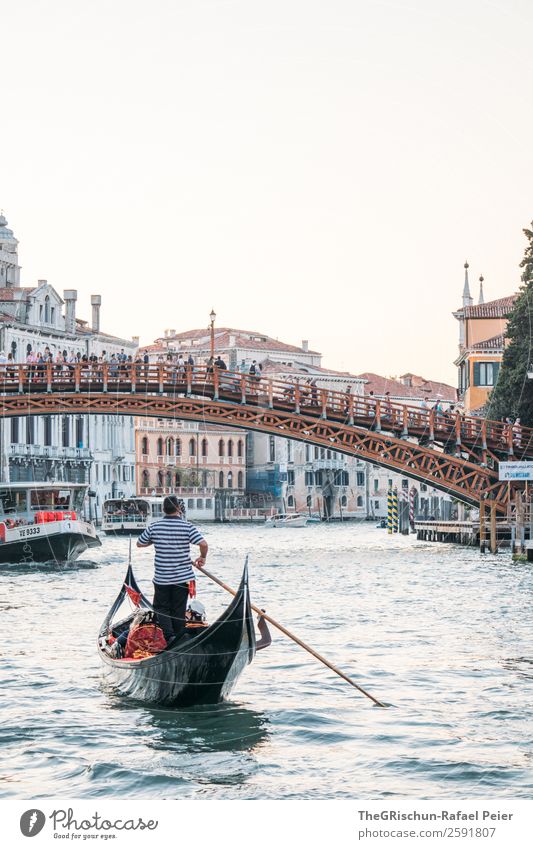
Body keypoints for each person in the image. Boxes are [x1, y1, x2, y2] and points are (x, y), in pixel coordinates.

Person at [137, 495, 208, 642]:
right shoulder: (187, 527)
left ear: (163, 509)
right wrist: (202, 558)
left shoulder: (154, 527)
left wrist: (155, 540)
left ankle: (169, 637)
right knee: (178, 608)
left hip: (162, 578)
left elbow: (140, 543)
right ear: (179, 509)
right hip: (182, 578)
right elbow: (203, 544)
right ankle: (179, 637)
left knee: (162, 608)